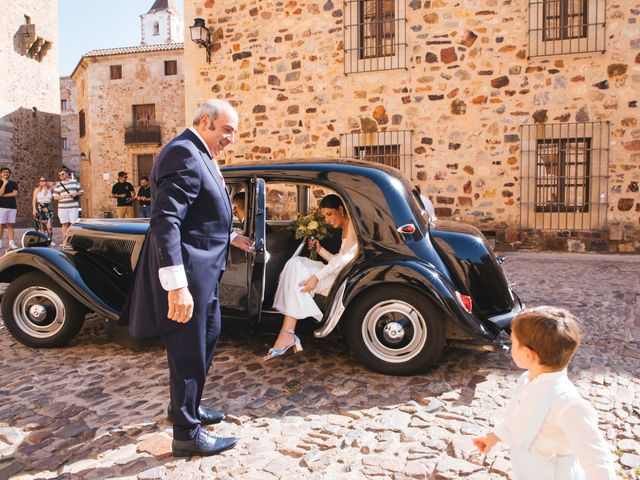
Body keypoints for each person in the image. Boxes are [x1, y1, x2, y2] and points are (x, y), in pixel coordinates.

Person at [119, 99, 253, 457]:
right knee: (187, 350)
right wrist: (176, 286)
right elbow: (166, 222)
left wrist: (229, 237)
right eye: (227, 130)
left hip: (205, 274)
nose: (230, 139)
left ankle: (187, 407)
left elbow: (199, 215)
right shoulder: (183, 153)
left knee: (206, 340)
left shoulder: (200, 153)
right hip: (188, 277)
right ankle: (186, 433)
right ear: (205, 120)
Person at [473, 306, 615, 480]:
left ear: (527, 354)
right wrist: (494, 436)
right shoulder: (527, 380)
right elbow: (519, 419)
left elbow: (597, 459)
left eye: (513, 343)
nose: (511, 348)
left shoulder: (567, 404)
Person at [264, 194, 358, 361]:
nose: (327, 219)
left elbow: (343, 261)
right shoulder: (344, 227)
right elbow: (338, 259)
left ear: (341, 210)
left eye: (330, 214)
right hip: (335, 271)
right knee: (295, 264)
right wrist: (320, 250)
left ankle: (287, 335)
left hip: (339, 279)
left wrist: (316, 276)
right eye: (324, 216)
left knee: (298, 274)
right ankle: (288, 333)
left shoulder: (351, 226)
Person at [53, 168, 83, 239]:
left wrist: (75, 194)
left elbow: (81, 192)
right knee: (64, 224)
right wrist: (63, 196)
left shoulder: (75, 183)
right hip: (62, 208)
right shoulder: (58, 185)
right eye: (60, 175)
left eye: (62, 174)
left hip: (73, 207)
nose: (61, 176)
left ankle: (73, 240)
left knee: (73, 224)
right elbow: (55, 197)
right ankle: (65, 240)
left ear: (67, 174)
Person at [0, 167, 19, 250]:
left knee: (10, 225)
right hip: (1, 207)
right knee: (1, 225)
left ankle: (11, 242)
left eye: (7, 172)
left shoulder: (14, 183)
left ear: (9, 174)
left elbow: (14, 194)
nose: (6, 174)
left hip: (12, 207)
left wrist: (3, 195)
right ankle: (0, 242)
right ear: (1, 174)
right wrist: (4, 183)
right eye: (4, 172)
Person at [32, 176, 55, 244]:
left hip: (48, 208)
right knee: (41, 226)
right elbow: (34, 200)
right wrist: (34, 209)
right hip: (39, 207)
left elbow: (56, 184)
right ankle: (43, 240)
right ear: (39, 182)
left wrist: (48, 183)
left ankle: (50, 239)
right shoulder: (37, 190)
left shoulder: (50, 189)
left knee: (49, 226)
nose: (43, 181)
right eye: (41, 180)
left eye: (44, 180)